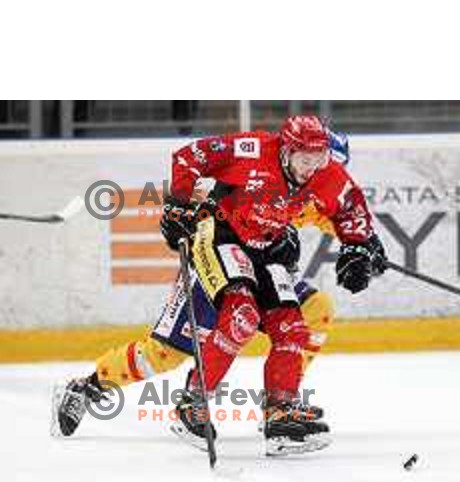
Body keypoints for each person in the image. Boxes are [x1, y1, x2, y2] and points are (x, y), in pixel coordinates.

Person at [54, 117, 386, 456]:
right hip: (218, 241)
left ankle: (280, 414)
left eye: (322, 159)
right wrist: (179, 204)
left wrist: (360, 245)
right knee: (164, 354)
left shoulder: (321, 174)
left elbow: (347, 209)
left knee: (293, 325)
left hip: (264, 255)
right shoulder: (254, 150)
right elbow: (191, 154)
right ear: (286, 151)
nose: (313, 168)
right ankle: (93, 389)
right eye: (305, 159)